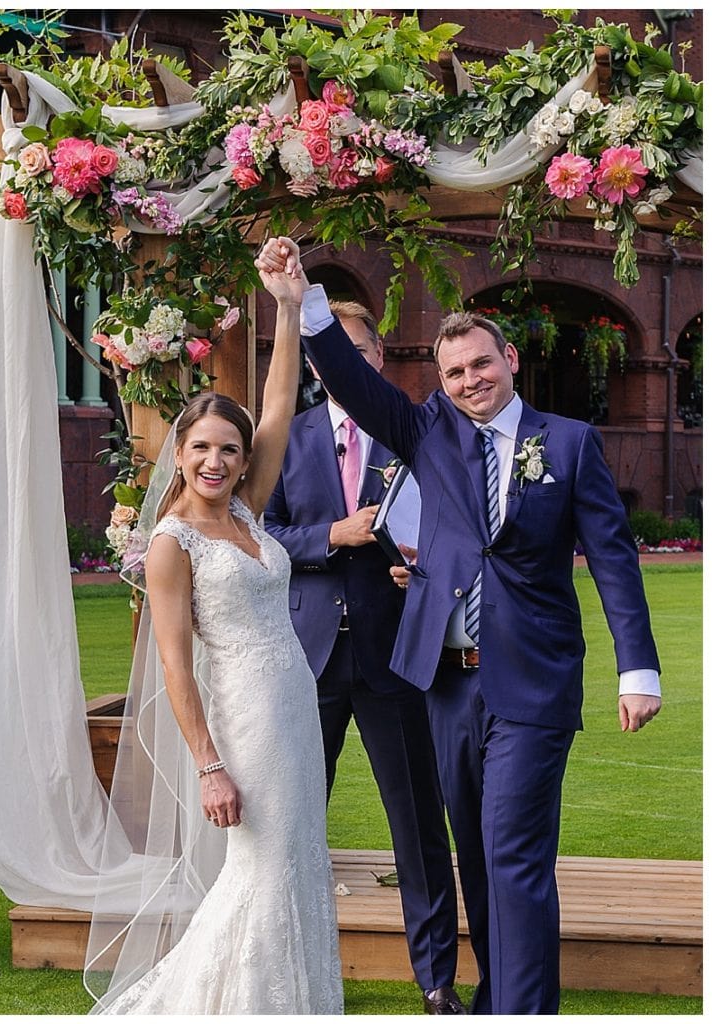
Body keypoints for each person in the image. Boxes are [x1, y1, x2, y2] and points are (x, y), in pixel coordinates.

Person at [256, 237, 661, 1015]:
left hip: (531, 683)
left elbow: (613, 561)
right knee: (473, 854)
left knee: (512, 853)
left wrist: (636, 670)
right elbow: (348, 377)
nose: (470, 380)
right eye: (453, 373)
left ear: (507, 358)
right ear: (437, 383)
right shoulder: (428, 432)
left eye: (480, 364)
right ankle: (493, 995)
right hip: (444, 683)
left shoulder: (569, 445)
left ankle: (521, 1010)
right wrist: (301, 300)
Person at [84, 251, 343, 1014]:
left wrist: (288, 310)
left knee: (297, 858)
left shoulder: (246, 513)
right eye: (201, 447)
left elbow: (276, 403)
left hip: (294, 700)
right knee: (261, 867)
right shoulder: (172, 543)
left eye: (228, 449)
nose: (217, 459)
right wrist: (208, 766)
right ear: (181, 453)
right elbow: (174, 666)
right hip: (243, 721)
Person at [264, 298, 464, 1014]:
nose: (336, 367)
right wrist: (331, 536)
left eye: (351, 352)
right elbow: (259, 535)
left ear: (374, 360)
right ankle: (277, 969)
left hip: (395, 657)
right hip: (304, 658)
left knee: (415, 825)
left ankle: (436, 981)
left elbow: (453, 524)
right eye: (325, 356)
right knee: (286, 822)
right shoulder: (285, 436)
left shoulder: (418, 434)